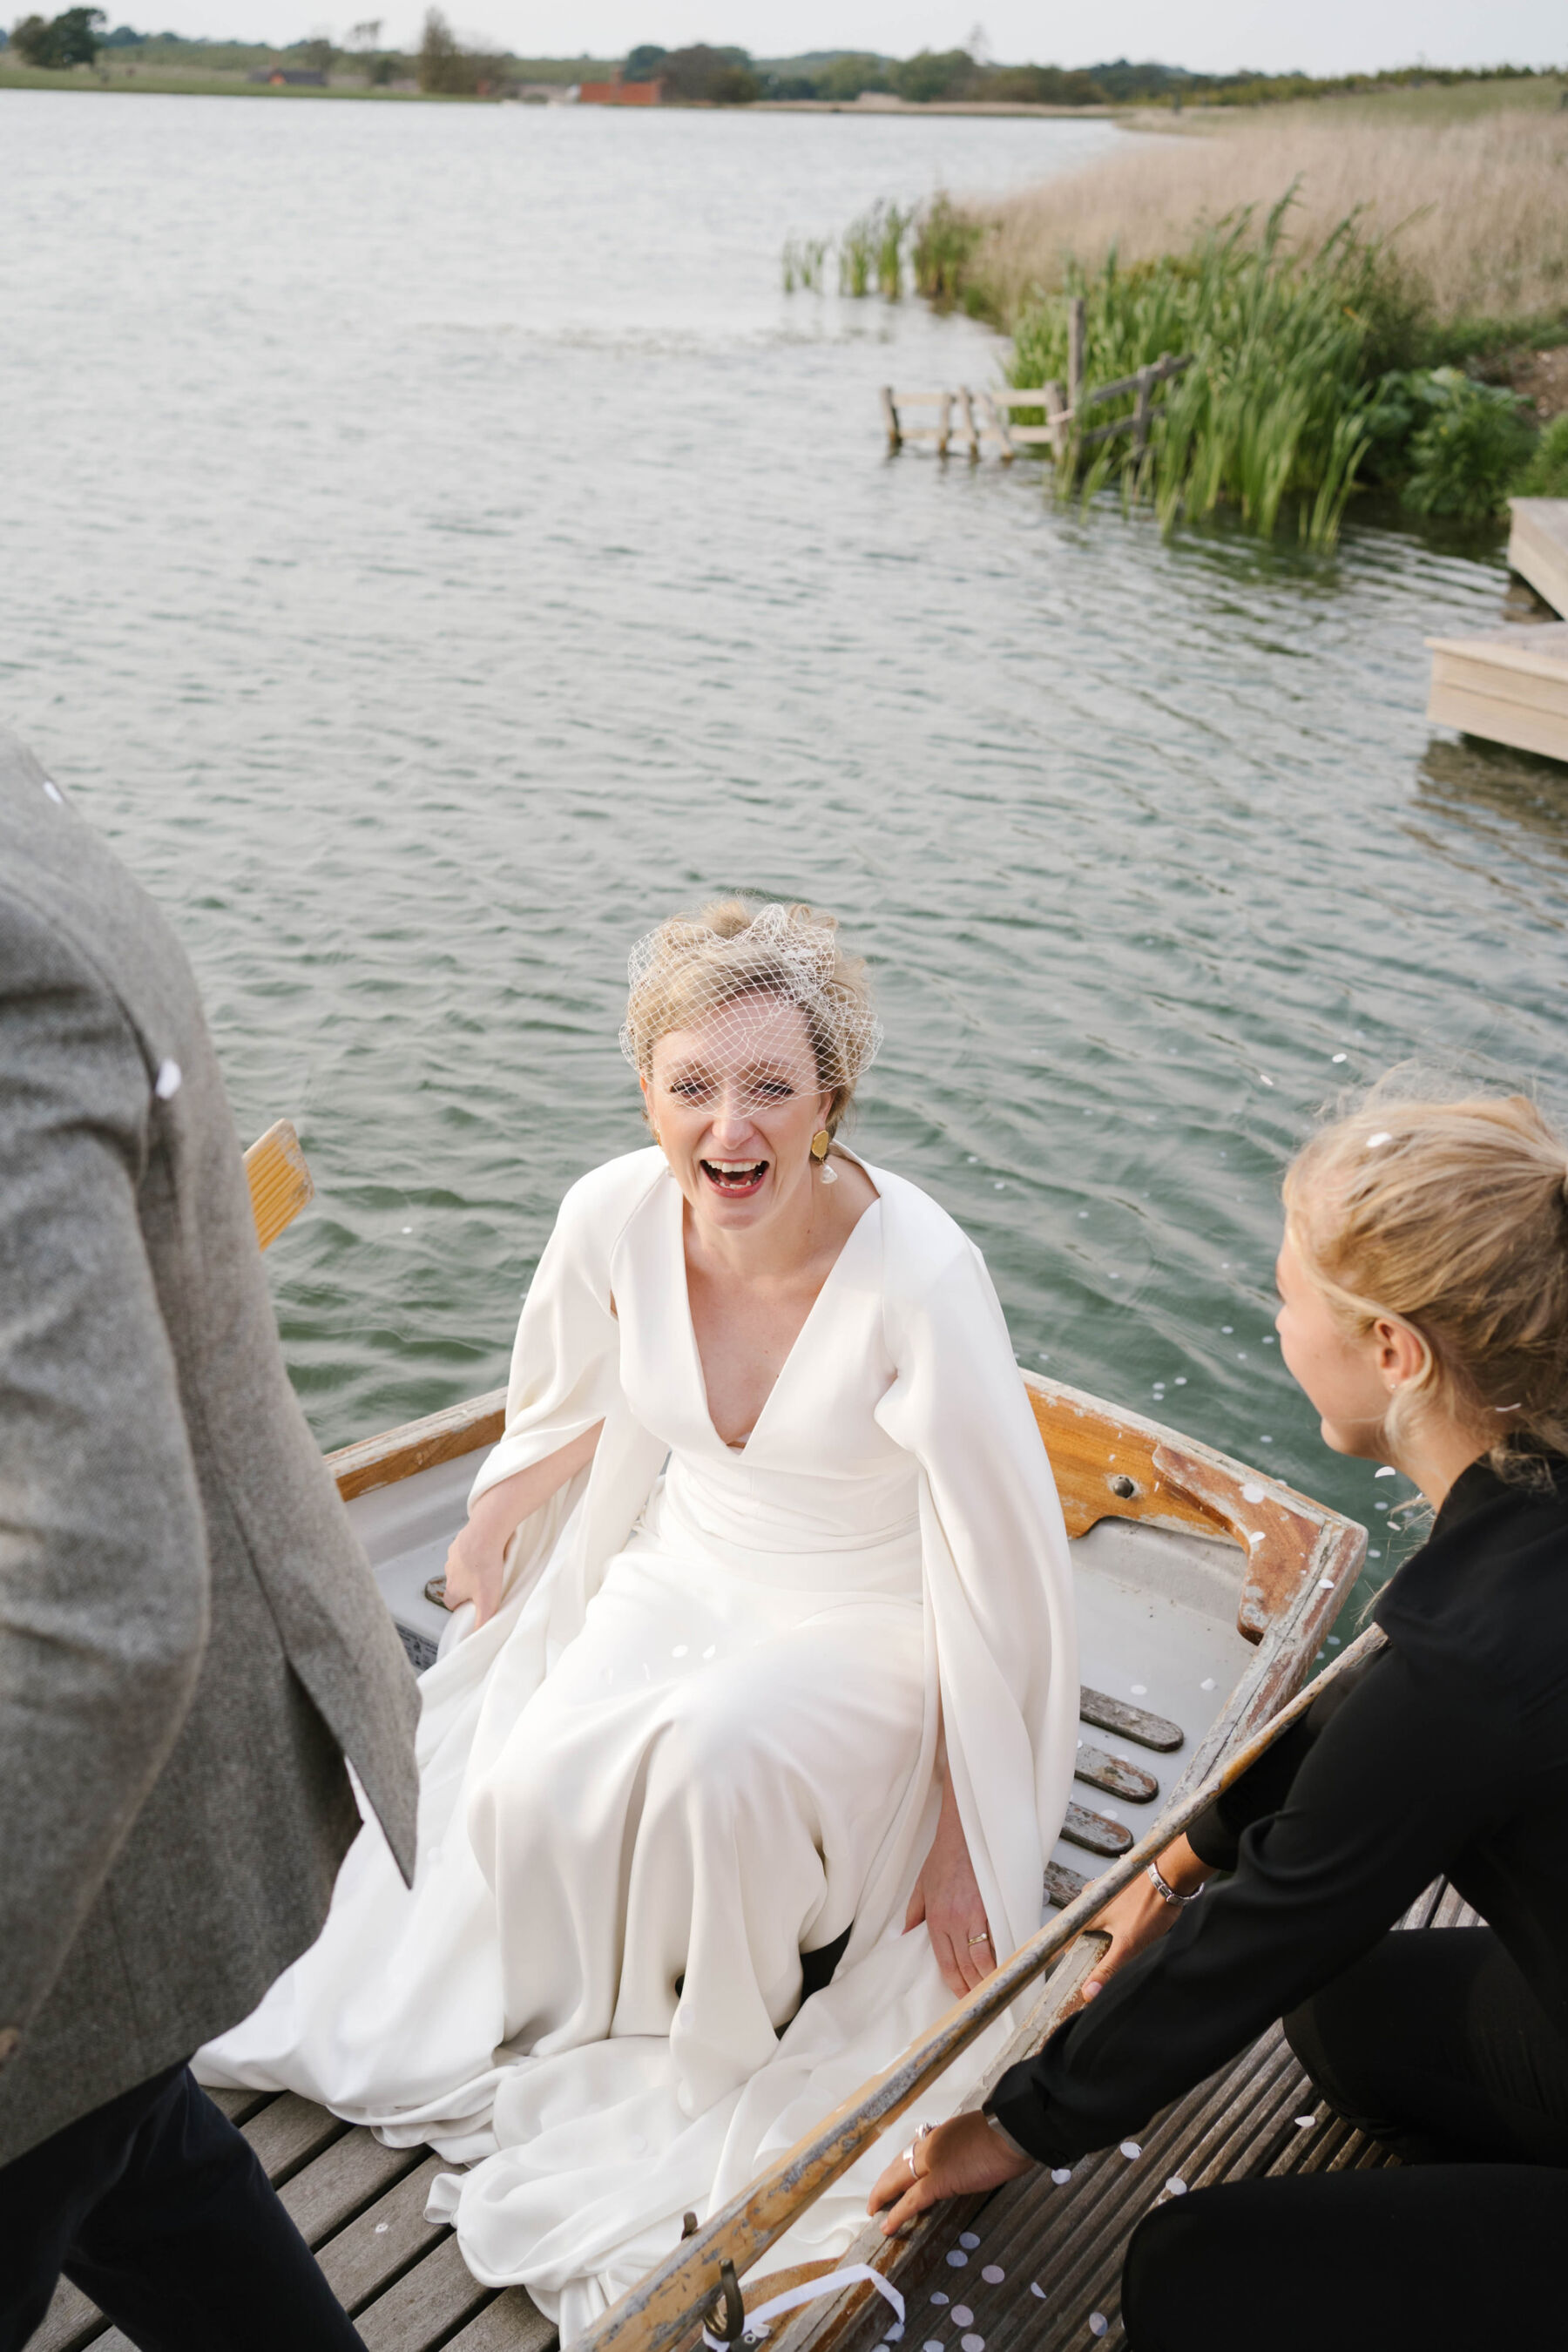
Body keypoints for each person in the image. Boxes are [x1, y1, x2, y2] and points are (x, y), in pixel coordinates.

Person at [200, 897, 1080, 2337]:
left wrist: (966, 1834)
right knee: (534, 1777)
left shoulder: (921, 1275)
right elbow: (575, 1403)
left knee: (717, 1759)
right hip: (688, 1566)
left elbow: (1003, 1564)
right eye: (691, 1086)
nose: (728, 1126)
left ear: (831, 1101)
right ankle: (583, 2032)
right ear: (646, 1093)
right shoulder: (609, 1213)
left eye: (770, 1087)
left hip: (869, 1612)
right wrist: (491, 1523)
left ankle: (712, 2043)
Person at [868, 1085, 1568, 2349]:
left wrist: (1012, 2127)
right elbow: (1379, 1713)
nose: (1278, 1316)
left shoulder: (1479, 1642)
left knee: (1196, 2277)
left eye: (1292, 1296)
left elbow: (1278, 1921)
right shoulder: (1529, 1516)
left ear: (1395, 1352)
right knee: (1349, 2020)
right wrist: (1192, 1848)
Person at [0, 727, 422, 2351]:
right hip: (127, 1879)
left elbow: (91, 1596)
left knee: (91, 2121)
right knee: (136, 2151)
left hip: (82, 1838)